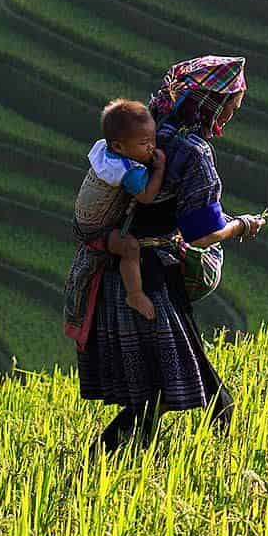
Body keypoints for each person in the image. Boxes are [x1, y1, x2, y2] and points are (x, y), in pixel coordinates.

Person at [78, 55, 268, 454]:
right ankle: (101, 457)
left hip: (121, 269)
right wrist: (244, 225)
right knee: (168, 384)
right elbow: (203, 235)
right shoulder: (194, 151)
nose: (232, 114)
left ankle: (111, 459)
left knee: (168, 379)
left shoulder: (149, 129)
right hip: (156, 276)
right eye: (231, 107)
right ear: (212, 105)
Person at [64, 98, 168, 348]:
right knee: (130, 247)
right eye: (144, 144)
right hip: (97, 229)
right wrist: (160, 169)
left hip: (82, 220)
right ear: (120, 147)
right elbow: (147, 196)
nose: (151, 148)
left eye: (153, 140)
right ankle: (135, 295)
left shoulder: (104, 151)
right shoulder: (127, 170)